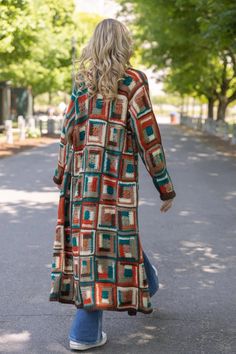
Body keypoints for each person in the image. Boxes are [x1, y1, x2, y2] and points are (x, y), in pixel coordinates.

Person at [49, 18, 176, 351]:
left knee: (93, 243)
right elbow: (148, 136)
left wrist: (62, 173)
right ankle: (84, 334)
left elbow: (67, 132)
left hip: (82, 186)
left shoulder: (81, 84)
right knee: (102, 247)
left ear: (94, 44)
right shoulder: (133, 82)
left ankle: (147, 280)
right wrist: (164, 186)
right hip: (116, 187)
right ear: (125, 44)